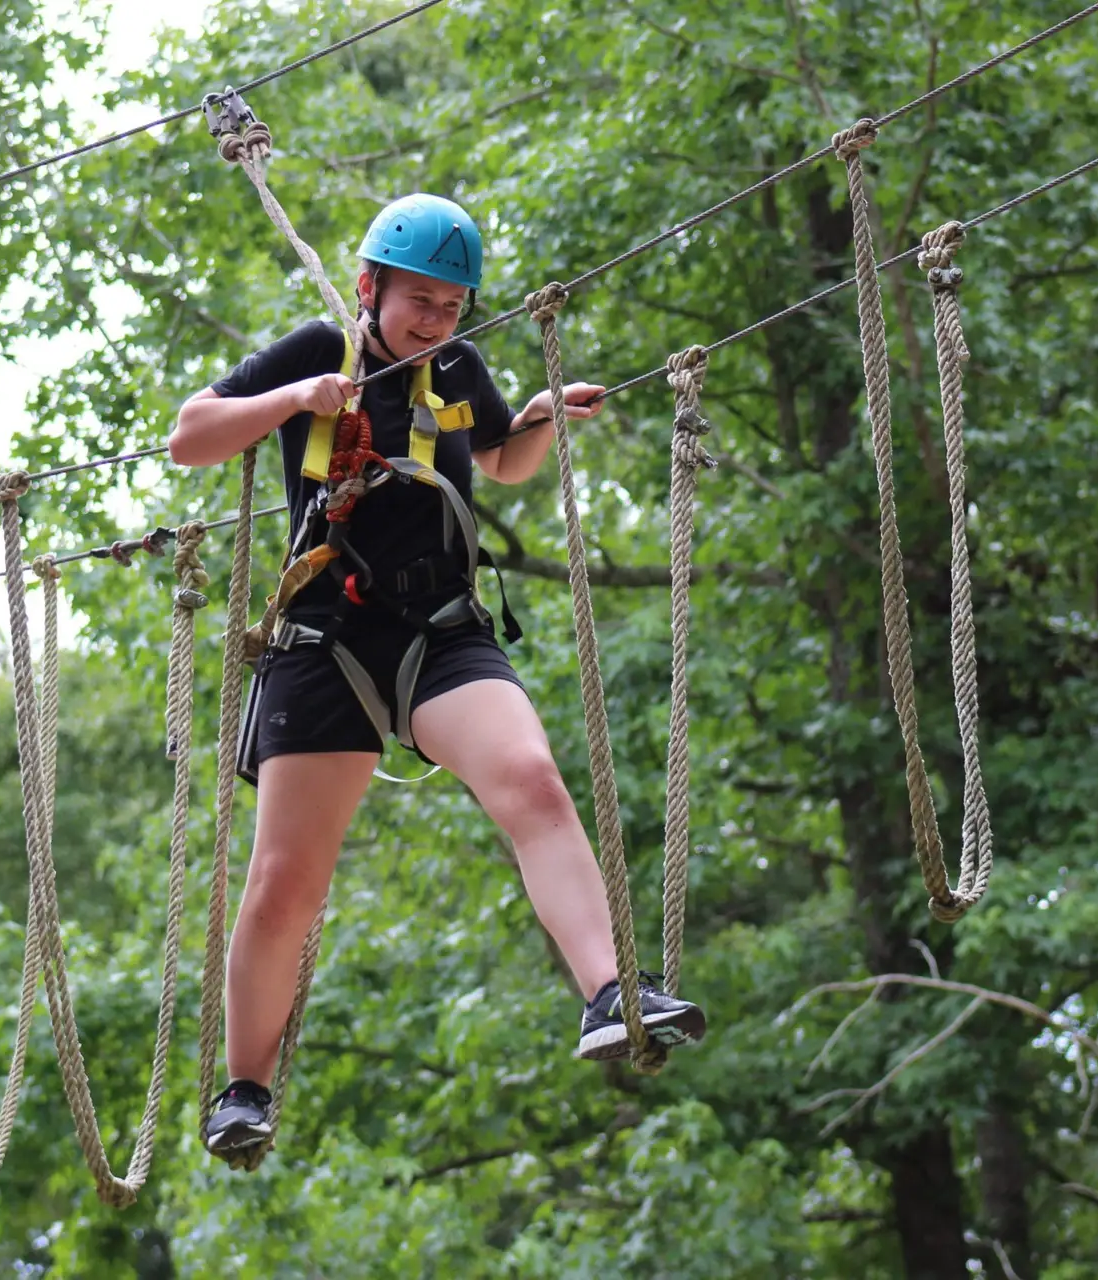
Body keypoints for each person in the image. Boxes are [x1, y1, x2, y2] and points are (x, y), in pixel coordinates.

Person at [168, 193, 706, 1161]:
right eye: (421, 301)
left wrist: (541, 419)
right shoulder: (317, 348)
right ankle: (244, 1087)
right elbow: (191, 433)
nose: (439, 321)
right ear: (369, 287)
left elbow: (498, 459)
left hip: (439, 628)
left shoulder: (456, 365)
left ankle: (610, 991)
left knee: (534, 781)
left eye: (454, 305)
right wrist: (297, 401)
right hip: (325, 634)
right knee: (287, 880)